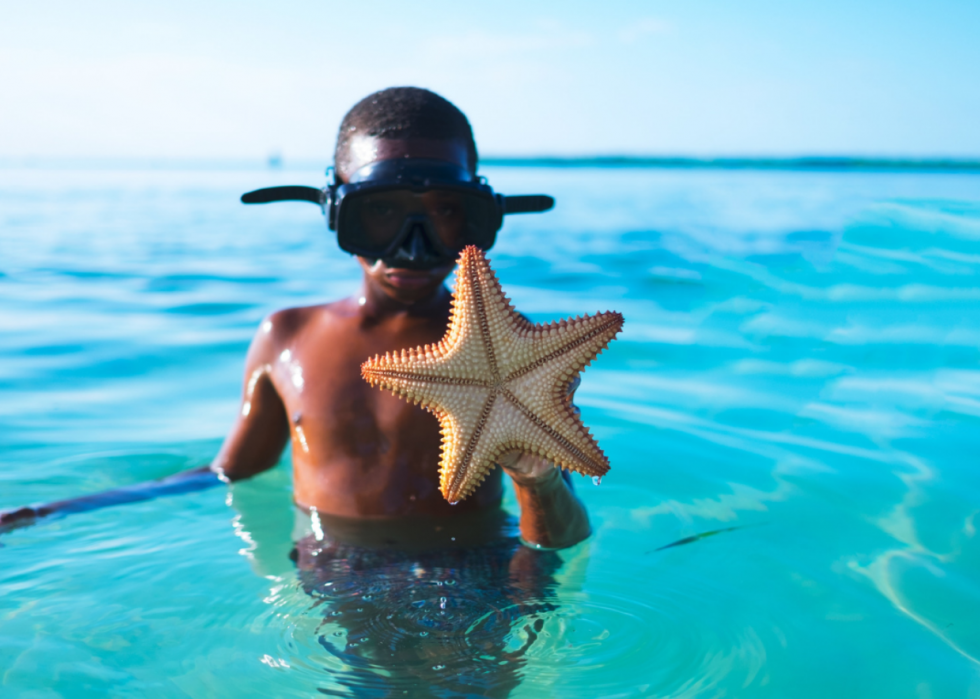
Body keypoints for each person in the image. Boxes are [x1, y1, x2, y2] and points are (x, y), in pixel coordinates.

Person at [1, 88, 592, 695]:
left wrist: (538, 477)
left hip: (483, 576)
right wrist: (53, 511)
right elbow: (227, 474)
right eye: (381, 213)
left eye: (447, 212)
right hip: (339, 575)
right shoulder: (286, 337)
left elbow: (563, 533)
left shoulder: (520, 359)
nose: (414, 246)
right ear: (336, 212)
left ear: (479, 218)